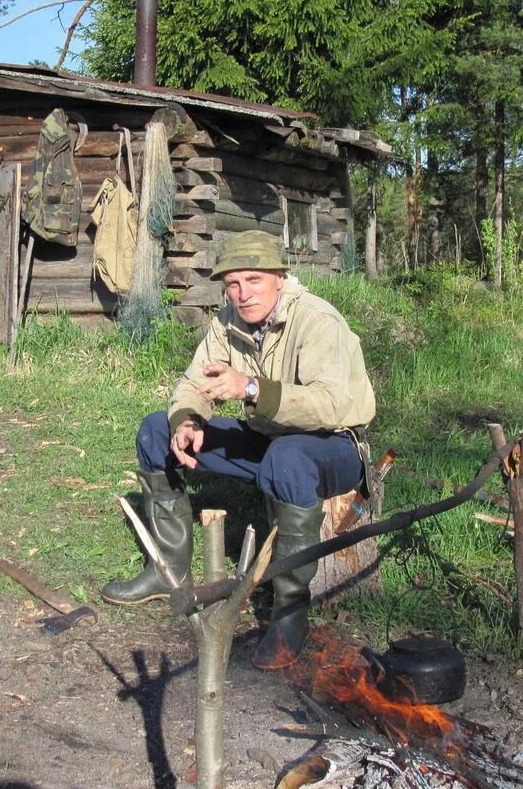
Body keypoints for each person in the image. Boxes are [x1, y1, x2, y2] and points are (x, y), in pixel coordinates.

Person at [101, 231, 375, 669]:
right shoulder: (228, 321)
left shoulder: (317, 321)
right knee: (156, 429)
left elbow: (333, 404)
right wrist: (187, 419)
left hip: (333, 445)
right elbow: (194, 382)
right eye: (232, 283)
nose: (242, 294)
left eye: (254, 279)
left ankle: (289, 611)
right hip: (268, 437)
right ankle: (167, 572)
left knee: (288, 458)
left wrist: (249, 386)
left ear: (280, 278)